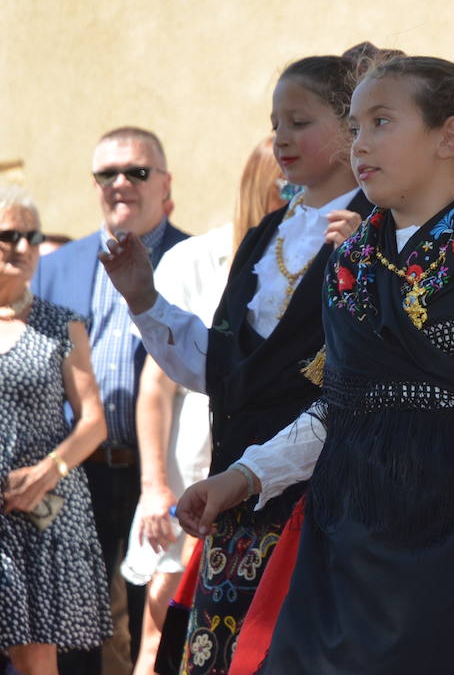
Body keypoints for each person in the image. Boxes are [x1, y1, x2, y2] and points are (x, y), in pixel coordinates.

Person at [174, 54, 454, 674]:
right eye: (354, 127)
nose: (360, 144)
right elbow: (341, 407)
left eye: (381, 122)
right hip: (349, 530)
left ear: (450, 138)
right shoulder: (350, 262)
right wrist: (243, 478)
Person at [98, 51, 374, 675]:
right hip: (239, 507)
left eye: (299, 121)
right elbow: (222, 370)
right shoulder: (266, 234)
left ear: (347, 125)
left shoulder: (379, 231)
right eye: (275, 121)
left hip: (335, 502)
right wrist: (144, 297)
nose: (280, 138)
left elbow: (362, 381)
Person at [119, 138, 284, 675]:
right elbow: (156, 387)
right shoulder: (196, 259)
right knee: (160, 638)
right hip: (188, 475)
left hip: (268, 476)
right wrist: (153, 488)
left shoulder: (324, 258)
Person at [32, 127, 189, 675]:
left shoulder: (195, 261)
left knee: (158, 624)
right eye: (108, 174)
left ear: (165, 182)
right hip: (78, 473)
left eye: (137, 172)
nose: (121, 183)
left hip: (166, 474)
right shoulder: (54, 268)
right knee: (80, 632)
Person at [0, 187, 111, 675]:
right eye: (9, 236)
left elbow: (93, 421)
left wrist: (49, 471)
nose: (23, 248)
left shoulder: (61, 324)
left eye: (33, 236)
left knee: (35, 655)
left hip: (40, 506)